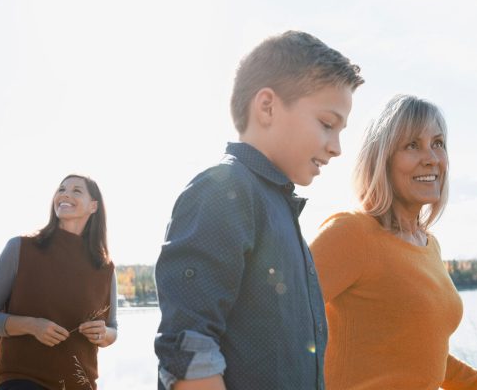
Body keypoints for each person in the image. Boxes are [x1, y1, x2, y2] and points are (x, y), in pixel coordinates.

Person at [154, 30, 364, 390]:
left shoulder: (280, 208)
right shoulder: (224, 190)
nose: (337, 148)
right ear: (267, 107)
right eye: (327, 125)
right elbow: (189, 347)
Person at [310, 95, 477, 390]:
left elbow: (421, 357)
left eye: (438, 143)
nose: (431, 157)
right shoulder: (351, 233)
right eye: (412, 145)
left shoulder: (428, 245)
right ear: (382, 158)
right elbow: (272, 322)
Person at [0, 174, 118, 390]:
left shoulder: (105, 267)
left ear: (94, 206)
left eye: (76, 190)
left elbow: (112, 330)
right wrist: (31, 326)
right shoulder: (20, 248)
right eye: (61, 189)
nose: (65, 194)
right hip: (21, 381)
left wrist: (102, 333)